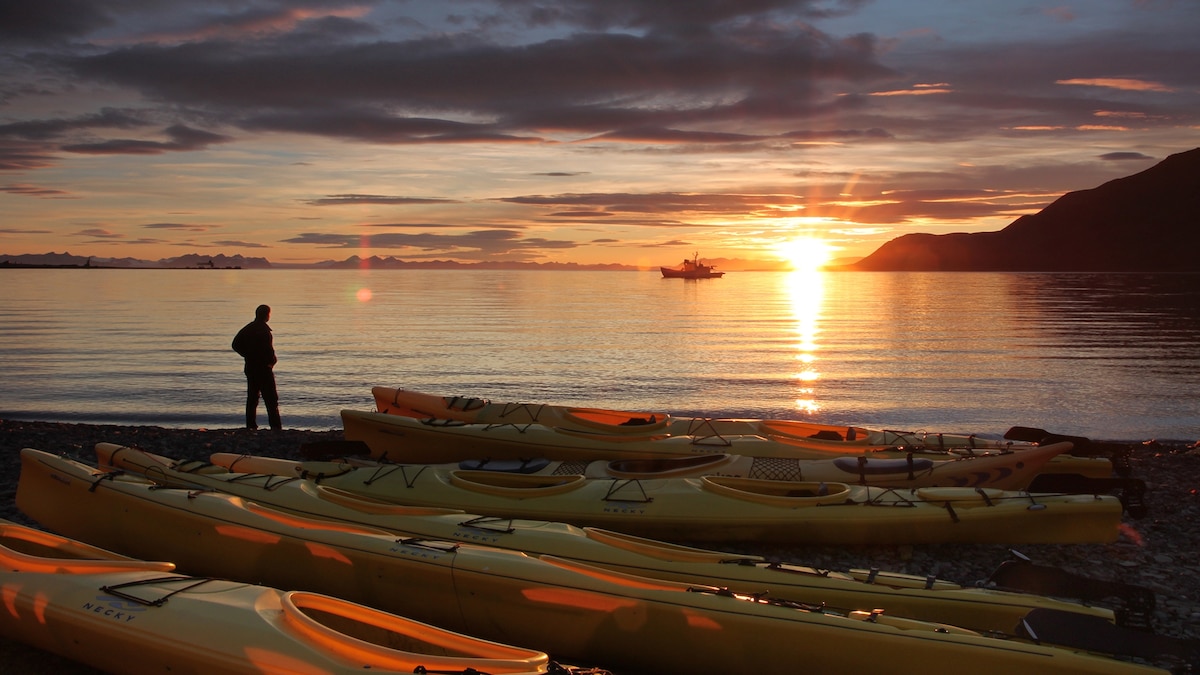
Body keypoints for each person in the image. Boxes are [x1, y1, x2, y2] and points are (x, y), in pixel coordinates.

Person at [232, 304, 282, 431]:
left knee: (253, 398)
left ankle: (251, 425)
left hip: (252, 368)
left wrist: (248, 355)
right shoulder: (263, 330)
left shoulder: (249, 328)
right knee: (271, 399)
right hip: (263, 369)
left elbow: (235, 344)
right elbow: (267, 350)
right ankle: (275, 427)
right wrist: (270, 361)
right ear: (266, 315)